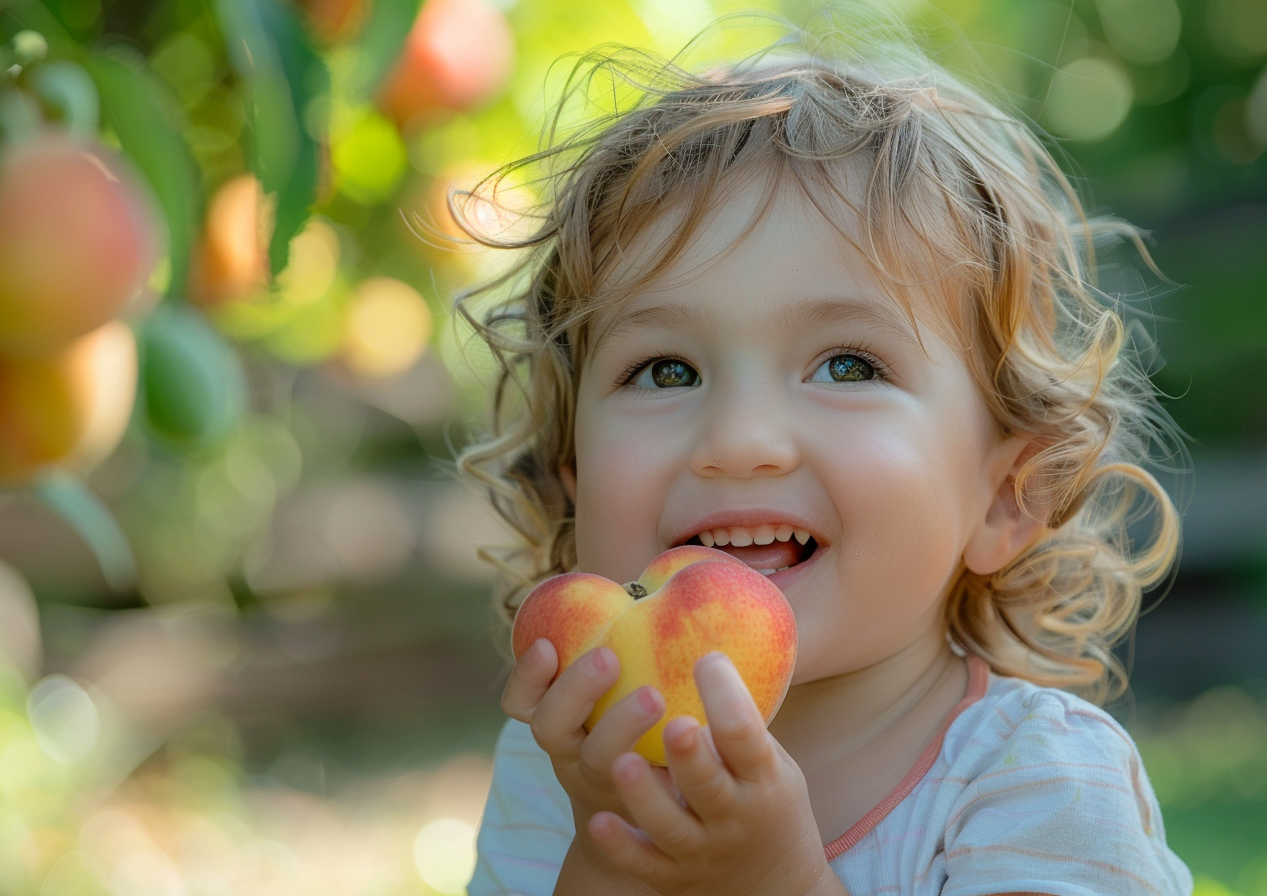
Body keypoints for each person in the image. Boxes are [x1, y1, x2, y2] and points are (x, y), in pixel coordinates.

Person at [452, 9, 1191, 895]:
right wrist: (611, 856)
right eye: (665, 371)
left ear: (1007, 498)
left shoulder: (1038, 787)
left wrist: (780, 881)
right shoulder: (563, 766)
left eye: (847, 365)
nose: (739, 441)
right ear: (574, 478)